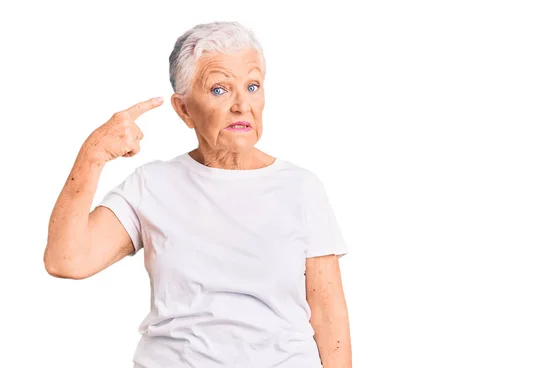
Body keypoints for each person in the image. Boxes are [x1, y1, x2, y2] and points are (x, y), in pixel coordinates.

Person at [44, 21, 351, 368]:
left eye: (252, 86)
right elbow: (66, 260)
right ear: (184, 109)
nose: (242, 105)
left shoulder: (301, 187)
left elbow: (328, 315)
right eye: (220, 89)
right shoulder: (152, 185)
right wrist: (93, 154)